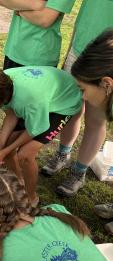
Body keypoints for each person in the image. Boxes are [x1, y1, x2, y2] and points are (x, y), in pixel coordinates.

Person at [0, 66, 82, 205]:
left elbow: (34, 130)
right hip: (40, 98)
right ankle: (19, 183)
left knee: (25, 155)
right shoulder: (0, 86)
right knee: (7, 147)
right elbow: (11, 114)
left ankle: (32, 198)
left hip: (64, 102)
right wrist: (0, 148)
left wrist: (5, 151)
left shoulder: (30, 100)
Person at [42, 3, 113, 196]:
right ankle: (62, 154)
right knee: (71, 109)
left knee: (96, 119)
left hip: (105, 59)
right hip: (81, 47)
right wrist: (72, 47)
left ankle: (79, 171)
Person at [0, 0, 76, 69]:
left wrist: (17, 8)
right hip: (13, 49)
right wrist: (37, 4)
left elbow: (44, 19)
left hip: (39, 55)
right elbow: (4, 1)